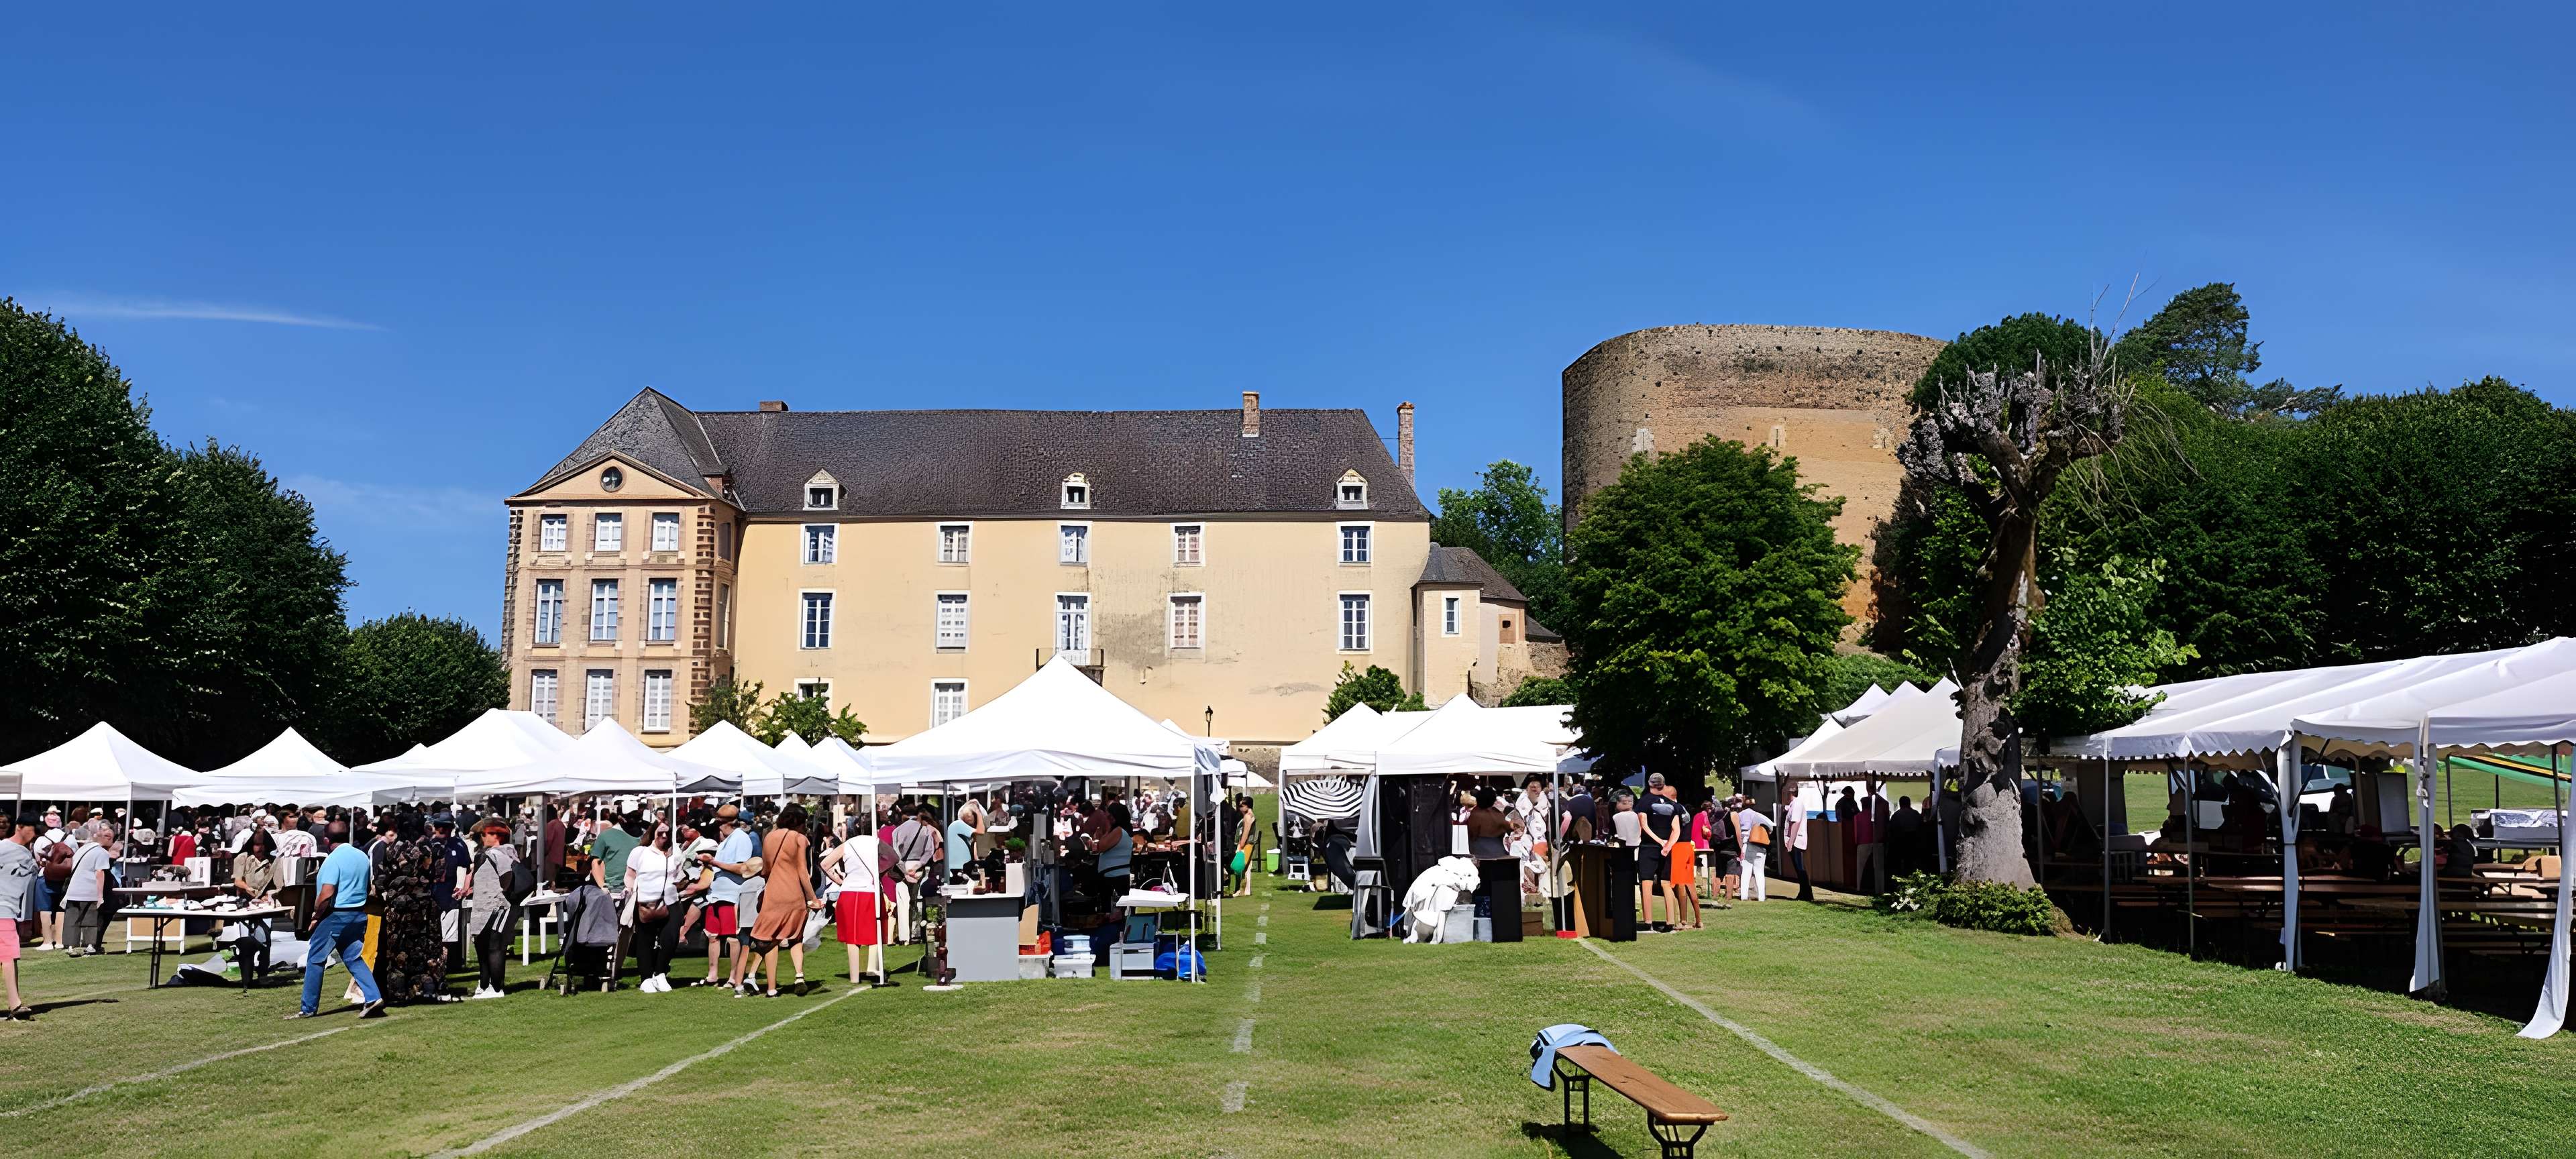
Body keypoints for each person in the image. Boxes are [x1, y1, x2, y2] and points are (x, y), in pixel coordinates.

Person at [293, 829, 385, 1019]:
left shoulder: (333, 860)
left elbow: (327, 893)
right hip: (358, 914)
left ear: (327, 840)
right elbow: (368, 888)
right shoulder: (361, 857)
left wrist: (316, 915)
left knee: (315, 959)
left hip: (337, 915)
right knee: (353, 958)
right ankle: (373, 997)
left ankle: (308, 1007)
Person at [372, 811, 451, 1005]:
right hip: (425, 906)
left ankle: (399, 993)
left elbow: (381, 878)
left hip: (399, 908)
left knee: (397, 951)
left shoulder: (394, 849)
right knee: (428, 950)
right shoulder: (431, 849)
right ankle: (429, 989)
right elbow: (440, 874)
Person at [749, 804, 822, 997]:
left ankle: (770, 987)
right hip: (793, 893)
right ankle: (799, 975)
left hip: (773, 893)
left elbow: (765, 870)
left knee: (770, 938)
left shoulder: (769, 837)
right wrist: (813, 898)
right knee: (796, 937)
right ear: (798, 822)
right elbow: (803, 872)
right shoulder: (800, 839)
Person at [824, 817, 890, 987]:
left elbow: (825, 864)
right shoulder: (877, 843)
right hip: (871, 890)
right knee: (875, 929)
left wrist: (840, 880)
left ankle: (854, 976)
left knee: (853, 937)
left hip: (850, 891)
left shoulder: (847, 845)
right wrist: (880, 873)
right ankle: (872, 966)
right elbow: (894, 858)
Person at [465, 822, 519, 999]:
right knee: (482, 946)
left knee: (494, 947)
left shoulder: (500, 854)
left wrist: (500, 895)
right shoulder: (490, 854)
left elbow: (507, 876)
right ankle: (485, 984)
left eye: (485, 834)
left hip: (496, 906)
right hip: (485, 906)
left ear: (497, 836)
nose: (482, 838)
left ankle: (496, 988)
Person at [626, 824, 676, 992]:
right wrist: (633, 890)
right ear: (653, 833)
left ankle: (660, 972)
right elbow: (630, 875)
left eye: (667, 834)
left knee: (670, 937)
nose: (664, 837)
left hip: (670, 901)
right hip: (645, 901)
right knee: (645, 939)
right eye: (660, 833)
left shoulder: (674, 853)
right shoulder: (640, 852)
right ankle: (646, 977)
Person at [1, 813, 39, 1019]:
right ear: (20, 827)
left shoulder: (26, 854)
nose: (33, 835)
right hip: (2, 909)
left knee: (9, 956)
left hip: (11, 911)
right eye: (30, 830)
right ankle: (15, 1005)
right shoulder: (3, 848)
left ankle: (15, 1004)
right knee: (9, 955)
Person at [886, 804, 940, 943]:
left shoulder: (897, 831)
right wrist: (918, 866)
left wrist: (904, 871)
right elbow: (929, 852)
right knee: (917, 902)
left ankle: (905, 937)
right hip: (918, 867)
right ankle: (916, 934)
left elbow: (896, 853)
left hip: (902, 867)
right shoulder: (925, 830)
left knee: (903, 902)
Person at [1637, 774, 1682, 932]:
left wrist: (1659, 841)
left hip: (1649, 847)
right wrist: (1668, 845)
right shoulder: (1673, 806)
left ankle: (1648, 921)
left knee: (1646, 882)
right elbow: (1676, 829)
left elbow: (1643, 825)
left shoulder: (1644, 802)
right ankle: (1670, 921)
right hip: (1667, 849)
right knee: (1666, 883)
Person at [62, 830, 115, 956]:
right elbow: (99, 873)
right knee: (90, 918)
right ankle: (90, 945)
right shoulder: (102, 853)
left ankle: (70, 947)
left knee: (71, 919)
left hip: (73, 890)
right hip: (89, 889)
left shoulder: (83, 849)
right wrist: (100, 896)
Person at [431, 815, 472, 975]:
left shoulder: (458, 845)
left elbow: (469, 867)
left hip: (450, 897)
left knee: (448, 938)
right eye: (440, 826)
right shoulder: (428, 845)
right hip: (430, 897)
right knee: (434, 936)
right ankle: (434, 968)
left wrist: (464, 888)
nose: (443, 829)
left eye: (447, 826)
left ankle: (444, 967)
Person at [32, 815, 69, 952]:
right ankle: (60, 941)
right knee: (61, 908)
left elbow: (37, 858)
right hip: (65, 877)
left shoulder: (41, 840)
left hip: (45, 877)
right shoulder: (69, 838)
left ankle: (47, 942)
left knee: (45, 909)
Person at [1733, 798, 1777, 901]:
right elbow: (1771, 827)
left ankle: (1744, 896)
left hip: (1746, 845)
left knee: (1746, 872)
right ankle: (1761, 897)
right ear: (1754, 806)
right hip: (1760, 846)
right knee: (1760, 872)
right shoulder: (1758, 816)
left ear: (1743, 806)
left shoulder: (1739, 816)